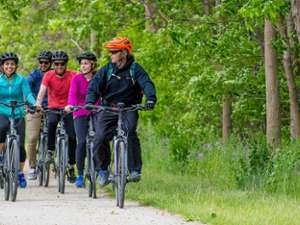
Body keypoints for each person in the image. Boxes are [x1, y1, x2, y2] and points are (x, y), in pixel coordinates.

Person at [85, 37, 157, 186]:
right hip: (108, 107)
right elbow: (94, 86)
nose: (110, 54)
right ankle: (102, 170)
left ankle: (134, 170)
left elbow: (147, 83)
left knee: (130, 132)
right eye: (110, 52)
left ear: (124, 52)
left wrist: (150, 99)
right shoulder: (107, 69)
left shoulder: (135, 69)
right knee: (99, 137)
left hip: (128, 108)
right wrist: (90, 102)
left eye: (114, 52)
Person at [65, 52, 110, 188]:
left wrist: (106, 105)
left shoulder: (99, 77)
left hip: (96, 111)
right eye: (82, 64)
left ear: (93, 64)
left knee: (102, 137)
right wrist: (70, 105)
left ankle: (103, 169)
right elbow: (72, 94)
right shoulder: (77, 79)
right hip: (80, 111)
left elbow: (105, 93)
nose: (83, 66)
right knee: (82, 141)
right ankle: (80, 174)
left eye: (86, 63)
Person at [35, 51, 77, 183]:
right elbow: (42, 92)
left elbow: (77, 90)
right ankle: (50, 151)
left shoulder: (73, 75)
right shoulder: (48, 75)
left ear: (66, 64)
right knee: (52, 123)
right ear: (53, 64)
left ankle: (71, 165)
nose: (59, 66)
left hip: (68, 108)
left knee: (72, 136)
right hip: (53, 107)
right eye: (56, 64)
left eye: (62, 64)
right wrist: (38, 103)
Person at [0, 52, 36, 188]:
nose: (10, 66)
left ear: (16, 66)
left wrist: (34, 104)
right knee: (1, 129)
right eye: (7, 64)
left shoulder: (21, 80)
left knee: (20, 145)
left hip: (18, 113)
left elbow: (27, 94)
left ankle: (20, 172)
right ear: (3, 66)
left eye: (12, 64)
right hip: (2, 111)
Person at [26, 50, 52, 180]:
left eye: (46, 62)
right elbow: (26, 90)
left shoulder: (54, 74)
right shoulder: (34, 75)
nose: (43, 64)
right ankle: (32, 166)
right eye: (41, 62)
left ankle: (59, 160)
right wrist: (29, 104)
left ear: (50, 63)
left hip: (52, 108)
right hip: (35, 108)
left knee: (59, 133)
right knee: (32, 138)